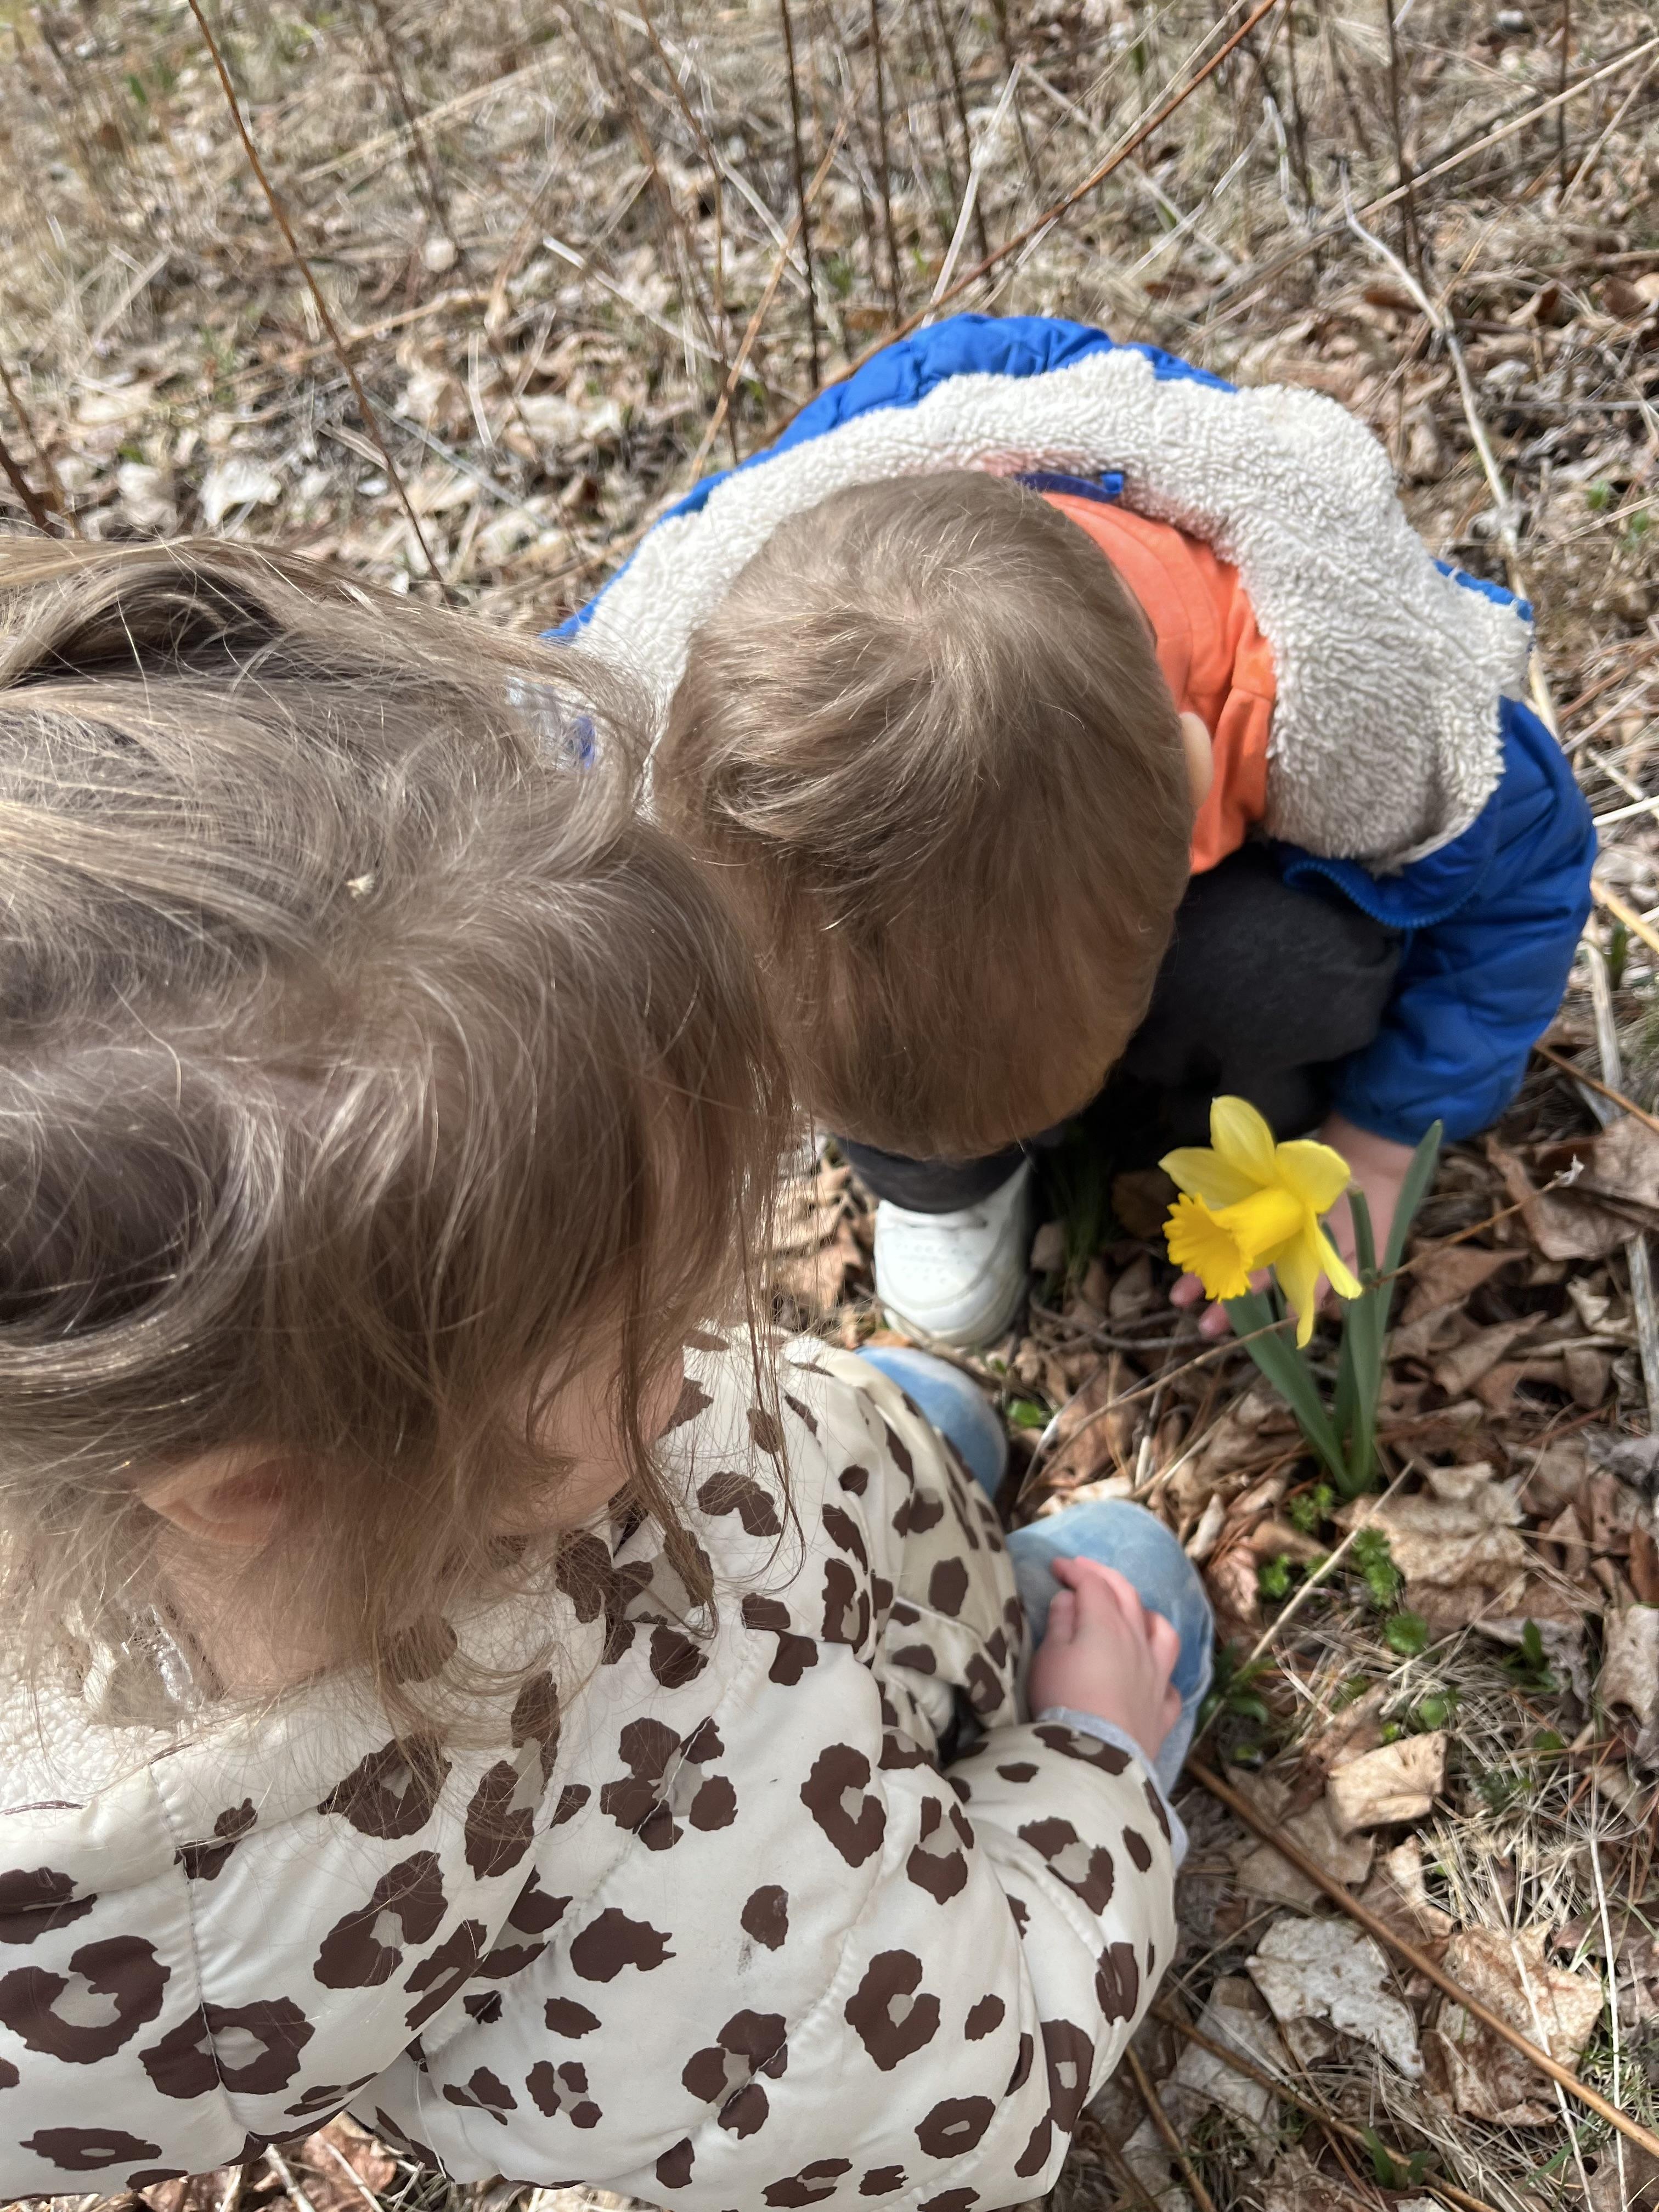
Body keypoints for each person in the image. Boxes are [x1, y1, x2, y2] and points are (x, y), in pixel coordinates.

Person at [0, 538, 1210, 2208]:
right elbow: (954, 2104)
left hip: (753, 1569)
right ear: (257, 1480)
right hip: (802, 1845)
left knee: (861, 1434)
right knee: (1130, 1592)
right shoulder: (582, 1827)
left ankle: (908, 1498)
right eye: (640, 1308)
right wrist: (1092, 1772)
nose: (712, 1312)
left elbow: (638, 1413)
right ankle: (1036, 1700)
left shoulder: (311, 1408)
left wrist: (747, 1424)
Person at [580, 314, 1596, 1347]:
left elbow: (1529, 878)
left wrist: (1379, 1148)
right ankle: (946, 1178)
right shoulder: (627, 736)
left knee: (1277, 963)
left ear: (1200, 784)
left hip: (1239, 880)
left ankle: (1203, 1099)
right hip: (926, 907)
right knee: (848, 990)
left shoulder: (1363, 703)